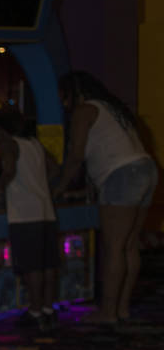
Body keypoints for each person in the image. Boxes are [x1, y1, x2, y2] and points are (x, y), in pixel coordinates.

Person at [56, 71, 160, 324]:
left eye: (64, 98)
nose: (63, 105)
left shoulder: (85, 110)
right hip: (145, 169)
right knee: (129, 245)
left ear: (73, 93)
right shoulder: (111, 109)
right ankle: (121, 309)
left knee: (113, 247)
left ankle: (107, 312)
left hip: (122, 175)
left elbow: (76, 157)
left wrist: (57, 188)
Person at [0, 106, 59, 331]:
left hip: (24, 214)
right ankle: (49, 310)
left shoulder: (10, 144)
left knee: (31, 266)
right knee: (47, 263)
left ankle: (35, 312)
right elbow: (55, 167)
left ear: (2, 129)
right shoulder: (35, 144)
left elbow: (9, 171)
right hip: (46, 210)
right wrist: (39, 184)